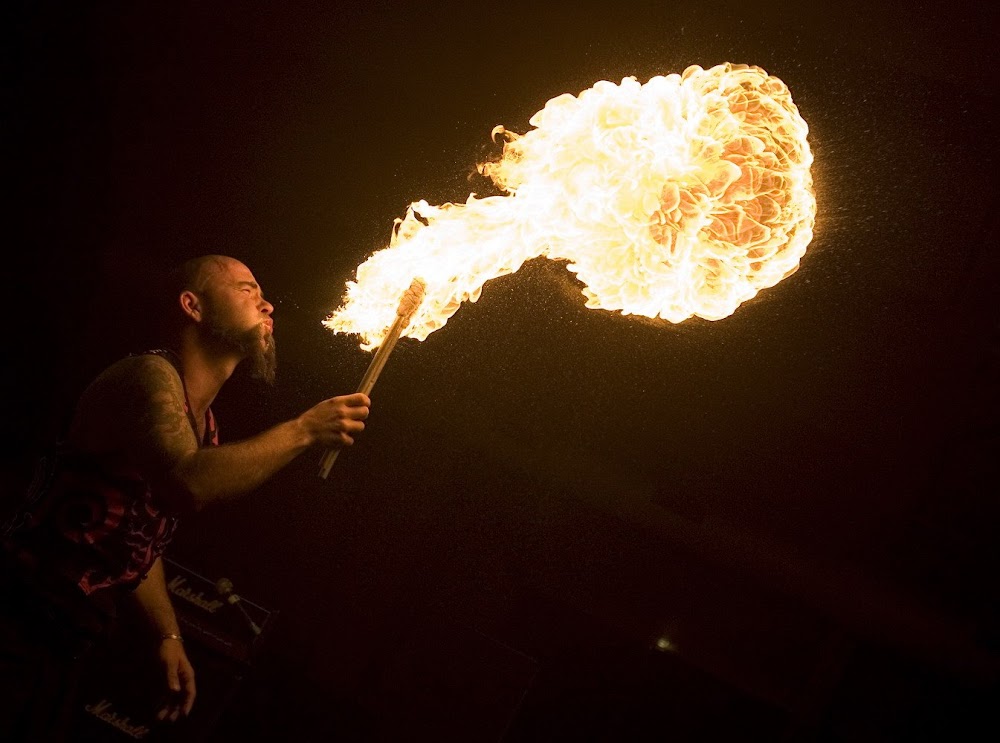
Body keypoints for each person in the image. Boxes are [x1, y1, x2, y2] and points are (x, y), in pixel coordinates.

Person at [0, 254, 371, 741]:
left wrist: (167, 634)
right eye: (247, 289)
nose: (268, 305)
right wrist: (304, 430)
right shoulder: (148, 375)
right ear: (192, 306)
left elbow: (137, 536)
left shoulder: (204, 424)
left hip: (64, 638)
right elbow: (187, 482)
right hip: (14, 614)